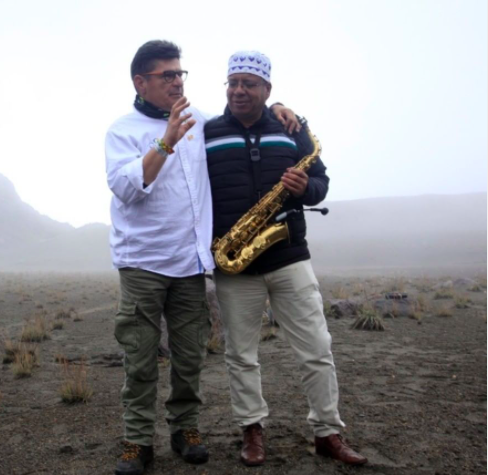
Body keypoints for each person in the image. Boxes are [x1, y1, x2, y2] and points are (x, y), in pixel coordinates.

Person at [105, 40, 299, 475]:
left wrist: (281, 105)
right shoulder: (122, 130)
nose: (177, 81)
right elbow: (128, 187)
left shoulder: (202, 121)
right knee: (139, 358)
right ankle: (137, 440)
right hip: (142, 264)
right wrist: (168, 139)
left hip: (191, 264)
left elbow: (242, 114)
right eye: (166, 75)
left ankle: (185, 428)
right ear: (141, 82)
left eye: (180, 74)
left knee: (190, 356)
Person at [205, 50, 368, 467]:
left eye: (249, 84)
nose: (239, 91)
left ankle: (327, 432)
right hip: (236, 263)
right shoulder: (208, 132)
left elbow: (321, 182)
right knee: (240, 354)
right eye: (233, 82)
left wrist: (303, 188)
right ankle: (252, 430)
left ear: (268, 90)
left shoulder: (291, 130)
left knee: (317, 348)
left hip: (289, 255)